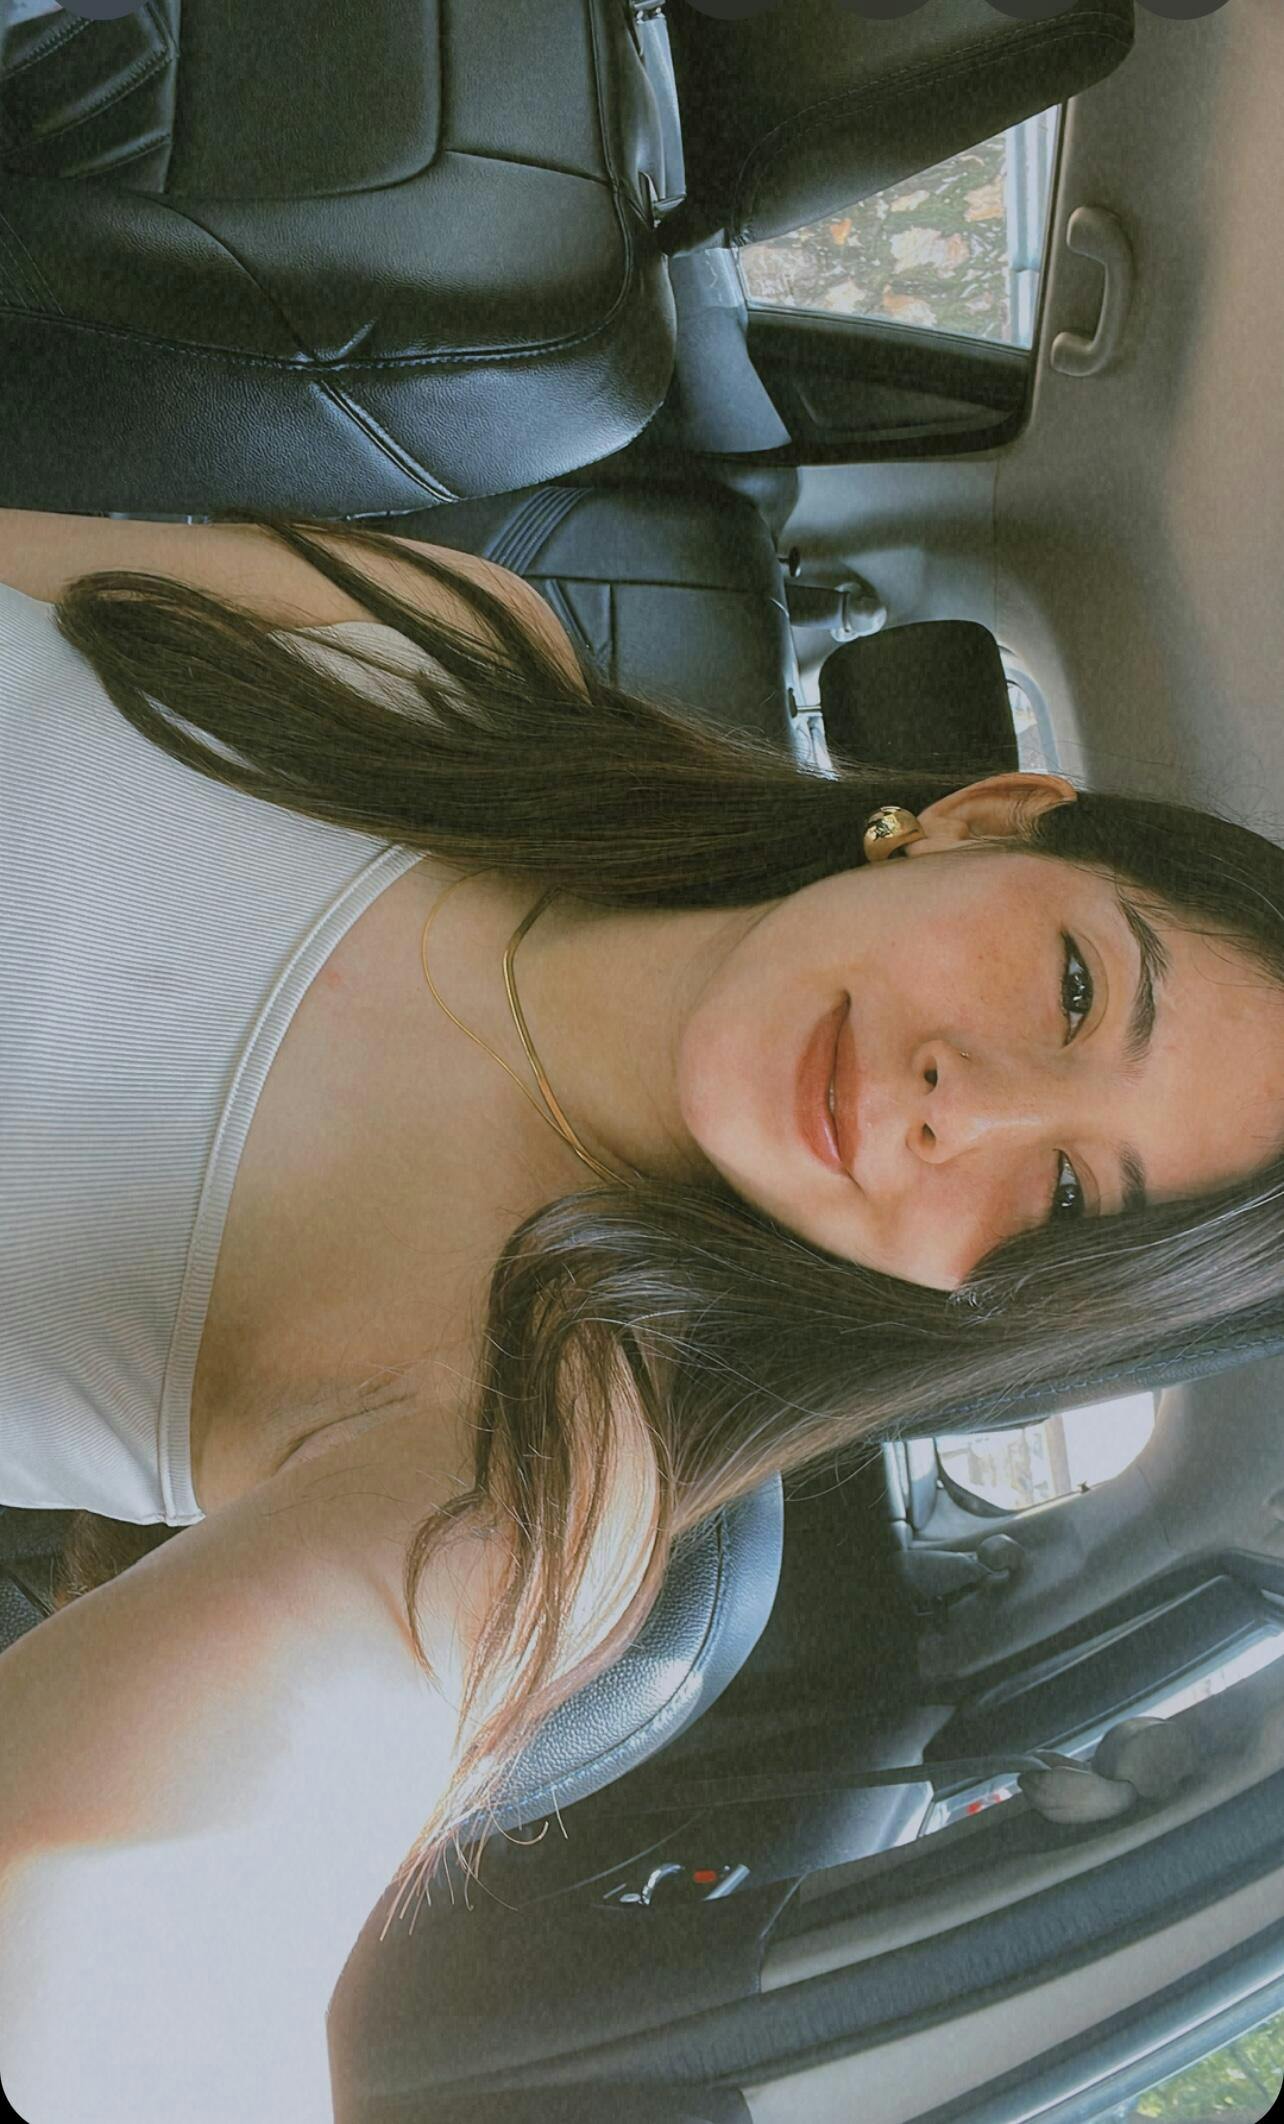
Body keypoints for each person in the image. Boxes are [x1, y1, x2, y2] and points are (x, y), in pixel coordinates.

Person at [1, 508, 1283, 2119]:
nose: (962, 1107)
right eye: (1078, 990)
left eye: (1071, 1200)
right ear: (988, 821)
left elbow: (137, 1903)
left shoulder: (538, 1452)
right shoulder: (450, 640)